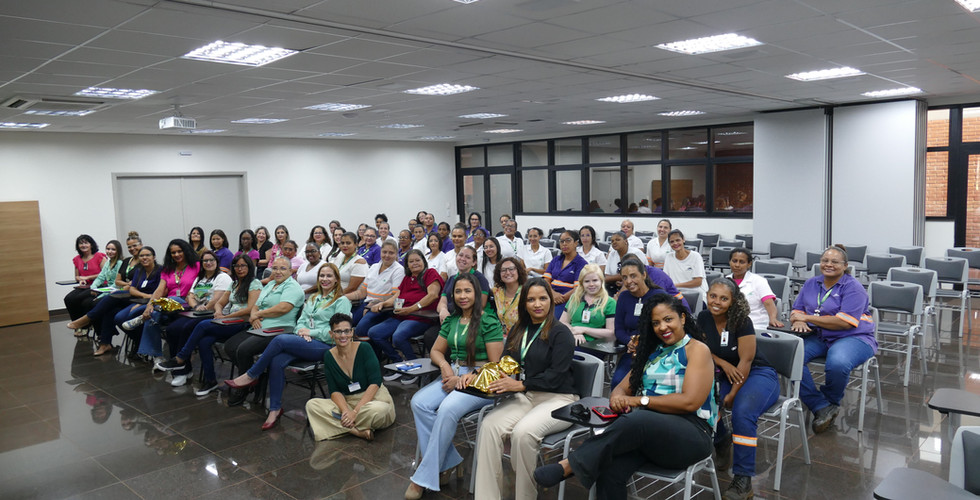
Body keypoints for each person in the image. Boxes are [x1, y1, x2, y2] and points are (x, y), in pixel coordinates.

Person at [532, 294, 717, 500]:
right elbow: (620, 390)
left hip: (691, 435)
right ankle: (578, 462)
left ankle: (570, 464)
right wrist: (618, 398)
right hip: (648, 435)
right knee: (609, 469)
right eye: (655, 323)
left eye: (668, 319)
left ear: (682, 318)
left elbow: (690, 402)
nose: (662, 327)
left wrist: (639, 401)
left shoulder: (697, 350)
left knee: (639, 418)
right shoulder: (652, 352)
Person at [473, 278, 578, 500]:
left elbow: (556, 376)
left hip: (559, 398)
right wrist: (477, 378)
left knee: (522, 433)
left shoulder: (561, 333)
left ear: (551, 300)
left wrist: (520, 384)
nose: (537, 304)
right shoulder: (519, 329)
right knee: (490, 425)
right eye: (531, 299)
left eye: (542, 298)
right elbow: (505, 364)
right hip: (527, 395)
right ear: (524, 303)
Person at [405, 273, 505, 498]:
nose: (462, 296)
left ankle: (422, 478)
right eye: (458, 292)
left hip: (482, 378)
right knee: (419, 403)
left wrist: (466, 378)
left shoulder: (489, 321)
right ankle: (450, 460)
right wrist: (445, 366)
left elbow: (495, 365)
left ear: (477, 294)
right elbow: (436, 351)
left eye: (467, 291)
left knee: (448, 408)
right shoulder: (451, 320)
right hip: (453, 372)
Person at [225, 263, 353, 430]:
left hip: (326, 345)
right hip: (305, 340)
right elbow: (300, 322)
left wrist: (311, 332)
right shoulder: (314, 298)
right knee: (276, 360)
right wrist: (301, 330)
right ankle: (275, 408)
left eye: (329, 276)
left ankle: (252, 374)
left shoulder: (341, 301)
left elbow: (339, 331)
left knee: (280, 340)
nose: (325, 279)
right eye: (322, 276)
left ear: (337, 280)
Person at [699, 279, 778, 500]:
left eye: (724, 298)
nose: (716, 302)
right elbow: (700, 348)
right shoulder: (704, 317)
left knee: (743, 413)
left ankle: (743, 479)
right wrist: (723, 363)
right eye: (713, 296)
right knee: (702, 400)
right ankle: (722, 440)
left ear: (733, 302)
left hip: (757, 374)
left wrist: (733, 393)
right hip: (725, 373)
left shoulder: (741, 321)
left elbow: (747, 360)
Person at [791, 245, 876, 433]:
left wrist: (808, 318)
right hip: (821, 335)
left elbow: (844, 323)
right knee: (791, 358)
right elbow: (797, 310)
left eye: (834, 262)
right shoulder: (811, 283)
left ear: (845, 266)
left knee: (837, 362)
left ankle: (831, 401)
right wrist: (799, 321)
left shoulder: (853, 288)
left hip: (854, 337)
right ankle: (821, 406)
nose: (828, 264)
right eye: (825, 261)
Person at [155, 254, 261, 396]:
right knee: (204, 341)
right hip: (227, 320)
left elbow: (250, 309)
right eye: (236, 266)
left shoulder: (254, 283)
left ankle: (181, 358)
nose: (239, 269)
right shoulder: (234, 283)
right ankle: (210, 381)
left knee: (203, 325)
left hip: (242, 322)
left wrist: (226, 316)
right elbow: (220, 303)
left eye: (243, 266)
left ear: (249, 266)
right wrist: (218, 311)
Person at [222, 257, 305, 397]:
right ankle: (255, 378)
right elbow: (255, 305)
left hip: (280, 329)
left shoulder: (293, 286)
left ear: (290, 271)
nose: (278, 271)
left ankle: (243, 388)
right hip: (260, 326)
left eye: (283, 268)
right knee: (230, 346)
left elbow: (283, 308)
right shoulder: (270, 284)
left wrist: (258, 314)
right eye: (275, 268)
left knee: (243, 350)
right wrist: (254, 316)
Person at [306, 313, 396, 441]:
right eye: (338, 332)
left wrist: (354, 413)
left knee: (380, 409)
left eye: (346, 331)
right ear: (331, 334)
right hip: (348, 402)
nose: (343, 335)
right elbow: (334, 390)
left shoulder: (365, 348)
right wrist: (345, 411)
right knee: (312, 405)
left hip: (372, 399)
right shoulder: (329, 356)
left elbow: (375, 383)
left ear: (352, 332)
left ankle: (342, 425)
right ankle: (357, 431)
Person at [155, 250, 232, 386]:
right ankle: (183, 369)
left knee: (186, 328)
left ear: (216, 261)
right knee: (172, 329)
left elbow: (217, 298)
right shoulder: (200, 278)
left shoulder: (222, 277)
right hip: (196, 312)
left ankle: (181, 364)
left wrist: (205, 307)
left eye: (211, 260)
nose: (208, 263)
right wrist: (196, 306)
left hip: (213, 314)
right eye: (205, 261)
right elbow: (190, 296)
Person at [70, 245, 158, 355]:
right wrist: (144, 295)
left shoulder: (160, 270)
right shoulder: (139, 270)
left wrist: (146, 297)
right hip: (137, 297)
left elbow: (160, 292)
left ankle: (88, 318)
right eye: (142, 256)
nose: (144, 258)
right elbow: (132, 289)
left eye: (147, 255)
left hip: (149, 301)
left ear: (154, 257)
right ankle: (105, 343)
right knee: (110, 309)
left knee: (113, 298)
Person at [367, 250, 444, 376]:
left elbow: (433, 295)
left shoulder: (430, 273)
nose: (415, 263)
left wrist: (412, 308)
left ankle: (414, 368)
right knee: (374, 332)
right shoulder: (407, 278)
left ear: (423, 261)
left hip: (420, 317)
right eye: (411, 261)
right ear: (407, 265)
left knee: (398, 336)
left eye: (417, 260)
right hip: (401, 315)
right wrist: (382, 304)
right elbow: (396, 297)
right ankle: (398, 362)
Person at [132, 239, 201, 359]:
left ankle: (154, 353)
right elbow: (159, 289)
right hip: (167, 306)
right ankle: (157, 357)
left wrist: (152, 305)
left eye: (180, 251)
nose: (176, 255)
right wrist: (150, 305)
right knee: (153, 314)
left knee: (161, 307)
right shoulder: (168, 269)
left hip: (187, 303)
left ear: (186, 251)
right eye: (173, 253)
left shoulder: (196, 266)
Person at [611, 259, 671, 388]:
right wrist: (630, 342)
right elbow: (619, 330)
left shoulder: (660, 296)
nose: (628, 281)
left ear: (644, 275)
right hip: (633, 352)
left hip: (656, 351)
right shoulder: (623, 297)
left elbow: (667, 329)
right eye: (625, 277)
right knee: (617, 383)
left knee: (649, 384)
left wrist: (644, 343)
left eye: (633, 276)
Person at [65, 239, 121, 336]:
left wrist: (97, 287)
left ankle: (88, 326)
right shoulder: (108, 263)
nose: (110, 251)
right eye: (108, 249)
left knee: (87, 302)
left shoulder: (119, 263)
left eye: (113, 249)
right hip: (94, 287)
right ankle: (81, 324)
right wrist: (93, 287)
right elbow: (101, 276)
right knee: (70, 299)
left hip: (109, 288)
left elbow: (116, 282)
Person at [351, 240, 404, 330]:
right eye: (384, 252)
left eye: (391, 253)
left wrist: (376, 302)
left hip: (383, 308)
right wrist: (343, 297)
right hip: (366, 304)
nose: (387, 255)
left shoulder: (399, 270)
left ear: (396, 254)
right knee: (349, 322)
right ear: (380, 252)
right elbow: (362, 292)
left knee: (361, 329)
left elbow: (395, 295)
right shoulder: (374, 267)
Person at [727, 248, 784, 330]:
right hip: (730, 324)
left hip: (756, 324)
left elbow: (769, 303)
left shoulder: (759, 281)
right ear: (730, 262)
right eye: (734, 261)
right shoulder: (725, 281)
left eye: (742, 262)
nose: (737, 265)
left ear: (749, 264)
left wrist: (773, 319)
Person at [559, 264, 616, 344]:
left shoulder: (610, 302)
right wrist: (574, 332)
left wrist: (583, 329)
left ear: (601, 281)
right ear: (582, 283)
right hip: (571, 338)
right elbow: (562, 322)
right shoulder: (574, 298)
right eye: (587, 281)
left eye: (595, 280)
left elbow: (611, 333)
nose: (591, 284)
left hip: (594, 344)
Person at [436, 246, 489, 324]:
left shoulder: (480, 278)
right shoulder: (451, 279)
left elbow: (481, 304)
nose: (462, 259)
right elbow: (442, 302)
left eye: (467, 257)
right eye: (460, 255)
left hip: (470, 320)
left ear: (474, 262)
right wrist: (443, 310)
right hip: (449, 318)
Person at [64, 234, 107, 327]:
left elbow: (105, 275)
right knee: (68, 299)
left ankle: (86, 324)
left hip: (99, 286)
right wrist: (81, 280)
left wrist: (87, 277)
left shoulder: (100, 256)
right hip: (84, 287)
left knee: (81, 300)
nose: (83, 245)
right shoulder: (77, 259)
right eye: (81, 243)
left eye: (86, 243)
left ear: (91, 244)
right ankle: (78, 325)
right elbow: (77, 276)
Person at [543, 229, 588, 319]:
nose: (564, 244)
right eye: (562, 241)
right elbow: (546, 280)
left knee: (553, 319)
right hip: (550, 296)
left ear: (576, 243)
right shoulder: (556, 259)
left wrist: (561, 299)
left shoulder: (581, 263)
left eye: (568, 240)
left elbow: (578, 288)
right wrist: (553, 294)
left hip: (568, 300)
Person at [663, 229, 708, 295]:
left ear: (683, 239)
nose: (675, 243)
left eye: (678, 240)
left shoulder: (696, 256)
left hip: (695, 294)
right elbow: (666, 279)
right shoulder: (669, 257)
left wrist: (675, 285)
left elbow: (698, 282)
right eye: (672, 242)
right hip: (676, 294)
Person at [492, 257, 527, 334]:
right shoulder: (497, 292)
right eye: (503, 270)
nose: (507, 273)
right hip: (503, 337)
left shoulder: (527, 292)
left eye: (511, 269)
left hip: (523, 337)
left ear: (518, 271)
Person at [330, 232, 368, 297]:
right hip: (335, 294)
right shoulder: (340, 258)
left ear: (356, 245)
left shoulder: (359, 262)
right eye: (342, 243)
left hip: (348, 298)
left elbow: (352, 288)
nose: (345, 245)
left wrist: (333, 297)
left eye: (348, 243)